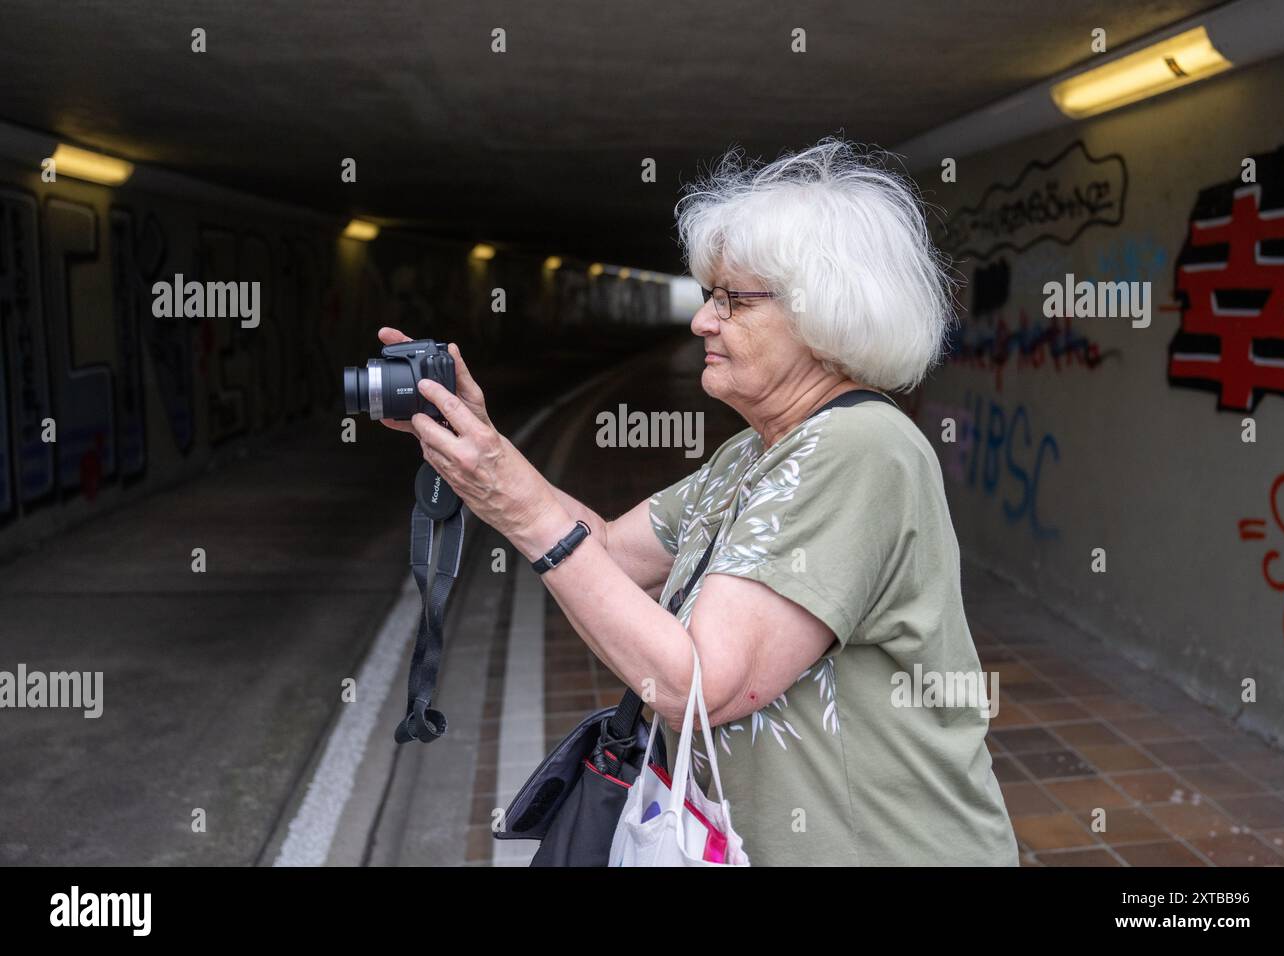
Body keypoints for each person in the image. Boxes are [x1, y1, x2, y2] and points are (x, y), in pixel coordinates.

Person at [380, 137, 1019, 866]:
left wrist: (525, 510)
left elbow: (703, 688)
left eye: (731, 300)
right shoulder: (758, 451)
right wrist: (485, 455)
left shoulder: (862, 451)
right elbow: (612, 555)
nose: (701, 321)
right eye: (707, 295)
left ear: (825, 311)